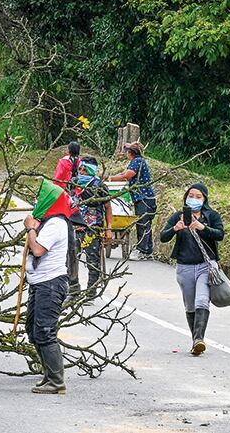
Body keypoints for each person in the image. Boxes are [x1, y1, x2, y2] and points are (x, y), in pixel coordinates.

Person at [22, 179, 75, 394]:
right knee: (33, 330)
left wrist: (30, 229)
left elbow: (38, 250)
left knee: (45, 331)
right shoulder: (46, 222)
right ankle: (48, 375)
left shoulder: (56, 224)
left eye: (40, 199)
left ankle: (56, 381)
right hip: (40, 283)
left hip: (50, 284)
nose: (36, 202)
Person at [159, 183, 224, 356]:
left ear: (204, 199)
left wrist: (203, 228)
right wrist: (175, 228)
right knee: (190, 306)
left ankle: (199, 339)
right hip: (184, 267)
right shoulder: (178, 216)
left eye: (198, 197)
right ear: (186, 197)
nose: (194, 199)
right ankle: (196, 340)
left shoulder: (211, 216)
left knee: (202, 300)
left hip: (206, 266)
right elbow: (163, 237)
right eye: (191, 196)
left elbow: (220, 234)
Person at [70, 157, 112, 293]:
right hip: (74, 227)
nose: (82, 172)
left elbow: (107, 207)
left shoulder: (99, 186)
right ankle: (73, 288)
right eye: (80, 169)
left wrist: (109, 228)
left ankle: (91, 291)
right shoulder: (73, 183)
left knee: (93, 261)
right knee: (71, 259)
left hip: (93, 229)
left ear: (91, 171)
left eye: (85, 170)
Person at [108, 142, 156, 259]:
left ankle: (142, 251)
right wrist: (113, 177)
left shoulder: (137, 161)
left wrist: (110, 178)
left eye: (127, 152)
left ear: (130, 153)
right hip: (145, 198)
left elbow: (127, 175)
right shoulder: (138, 161)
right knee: (146, 224)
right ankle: (148, 251)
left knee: (143, 224)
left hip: (144, 198)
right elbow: (124, 173)